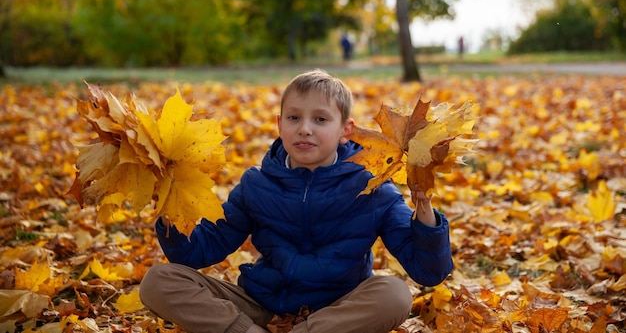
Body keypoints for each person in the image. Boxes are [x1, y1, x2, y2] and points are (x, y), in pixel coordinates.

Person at [139, 69, 454, 333]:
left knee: (395, 294)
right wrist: (171, 209)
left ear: (346, 130)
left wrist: (425, 215)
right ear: (279, 125)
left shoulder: (373, 187)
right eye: (294, 117)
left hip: (337, 311)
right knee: (159, 281)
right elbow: (199, 250)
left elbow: (428, 273)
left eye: (320, 119)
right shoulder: (256, 184)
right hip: (262, 306)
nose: (304, 129)